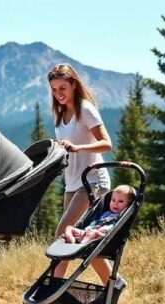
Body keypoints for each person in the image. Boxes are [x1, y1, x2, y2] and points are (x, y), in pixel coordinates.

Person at [48, 63, 117, 288]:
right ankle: (113, 283)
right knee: (80, 236)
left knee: (63, 233)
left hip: (92, 181)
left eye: (62, 88)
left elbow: (107, 144)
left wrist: (78, 147)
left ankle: (54, 287)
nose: (58, 94)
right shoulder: (60, 114)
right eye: (54, 89)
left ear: (74, 85)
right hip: (72, 182)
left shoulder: (85, 108)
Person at [61, 184, 136, 244]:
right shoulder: (106, 213)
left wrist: (98, 231)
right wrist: (89, 228)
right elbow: (96, 222)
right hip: (89, 233)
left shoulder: (122, 217)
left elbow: (113, 229)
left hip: (102, 236)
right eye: (113, 200)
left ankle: (82, 244)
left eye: (121, 201)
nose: (115, 203)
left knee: (94, 233)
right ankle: (71, 237)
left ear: (128, 204)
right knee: (69, 227)